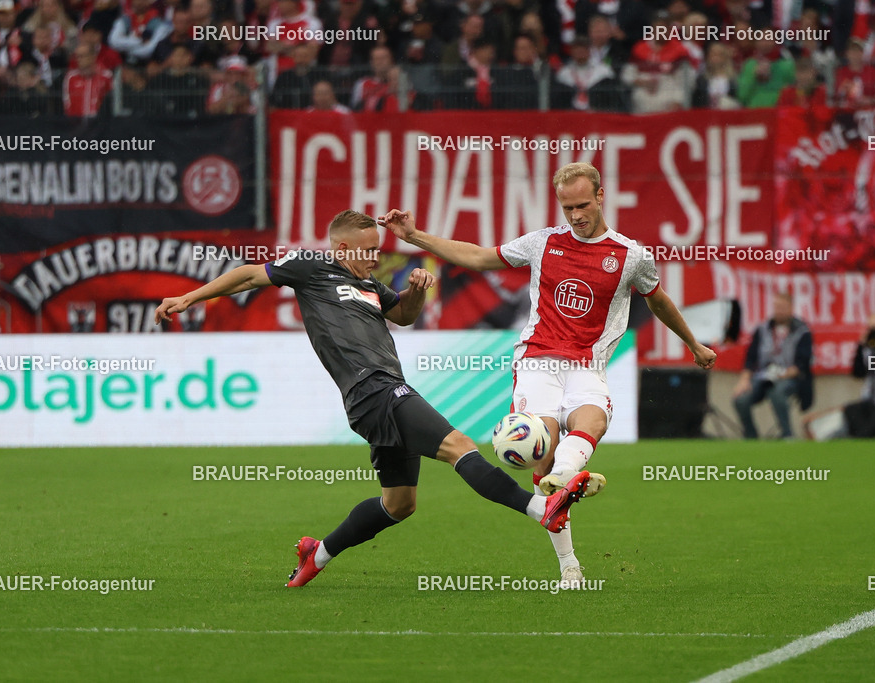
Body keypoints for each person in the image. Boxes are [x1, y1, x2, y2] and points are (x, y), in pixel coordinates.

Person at [154, 210, 592, 588]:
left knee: (400, 504)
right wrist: (190, 297)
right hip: (373, 389)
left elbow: (403, 315)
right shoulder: (310, 268)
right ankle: (542, 509)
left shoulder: (370, 286)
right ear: (342, 248)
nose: (375, 258)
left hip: (380, 393)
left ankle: (317, 554)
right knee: (460, 446)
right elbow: (250, 274)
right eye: (367, 250)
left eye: (377, 249)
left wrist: (416, 290)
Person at [383, 162, 717, 588]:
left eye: (582, 205)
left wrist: (693, 344)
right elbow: (480, 257)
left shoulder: (631, 255)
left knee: (592, 420)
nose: (576, 215)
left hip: (587, 364)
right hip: (538, 361)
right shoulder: (543, 243)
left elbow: (658, 300)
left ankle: (562, 481)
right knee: (542, 450)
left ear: (600, 196)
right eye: (567, 207)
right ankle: (569, 559)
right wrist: (414, 236)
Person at [732, 292, 813, 439]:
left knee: (777, 393)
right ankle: (751, 437)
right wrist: (744, 380)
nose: (779, 311)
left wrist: (781, 374)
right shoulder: (762, 329)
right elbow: (751, 358)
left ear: (791, 308)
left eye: (783, 307)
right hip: (763, 376)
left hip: (789, 377)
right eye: (777, 307)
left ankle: (787, 434)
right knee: (741, 399)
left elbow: (802, 364)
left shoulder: (802, 331)